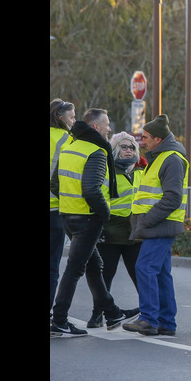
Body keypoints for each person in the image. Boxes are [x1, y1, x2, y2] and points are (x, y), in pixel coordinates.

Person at [50, 108, 139, 337]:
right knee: (75, 269)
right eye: (107, 124)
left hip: (68, 216)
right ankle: (59, 320)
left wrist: (71, 203)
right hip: (88, 219)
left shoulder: (70, 147)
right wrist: (104, 213)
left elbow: (54, 184)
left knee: (94, 265)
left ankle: (111, 313)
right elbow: (91, 189)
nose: (110, 128)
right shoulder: (97, 151)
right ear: (96, 127)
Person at [124, 115, 188, 337]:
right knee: (160, 273)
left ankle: (148, 319)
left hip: (159, 224)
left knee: (145, 267)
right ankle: (166, 322)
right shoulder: (161, 157)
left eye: (146, 137)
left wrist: (147, 220)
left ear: (159, 139)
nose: (143, 141)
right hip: (158, 224)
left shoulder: (170, 159)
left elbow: (172, 197)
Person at [86, 132, 145, 328]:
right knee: (105, 277)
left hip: (134, 232)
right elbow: (99, 199)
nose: (128, 150)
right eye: (123, 147)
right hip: (110, 230)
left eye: (131, 147)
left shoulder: (141, 171)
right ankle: (97, 315)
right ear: (115, 149)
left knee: (140, 275)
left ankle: (148, 314)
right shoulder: (106, 170)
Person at [50, 98, 76, 320]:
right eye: (72, 117)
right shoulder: (67, 139)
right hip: (55, 208)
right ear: (61, 118)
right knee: (52, 267)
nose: (74, 120)